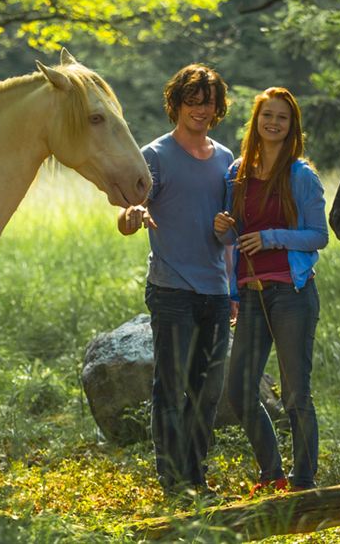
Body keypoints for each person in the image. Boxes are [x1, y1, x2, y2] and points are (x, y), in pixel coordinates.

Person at [117, 64, 235, 499]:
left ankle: (195, 476)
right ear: (177, 103)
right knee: (171, 387)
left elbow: (228, 234)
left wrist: (228, 237)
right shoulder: (155, 155)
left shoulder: (226, 160)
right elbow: (131, 212)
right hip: (171, 289)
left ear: (217, 106)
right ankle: (173, 482)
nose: (201, 109)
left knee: (207, 392)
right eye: (193, 100)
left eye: (208, 101)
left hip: (217, 292)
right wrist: (133, 217)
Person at [213, 87, 328, 493]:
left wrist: (271, 237)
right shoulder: (238, 173)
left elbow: (318, 236)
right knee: (240, 389)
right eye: (267, 116)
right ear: (256, 122)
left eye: (282, 117)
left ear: (291, 125)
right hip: (250, 294)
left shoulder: (301, 175)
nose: (273, 123)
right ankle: (271, 473)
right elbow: (235, 240)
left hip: (292, 295)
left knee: (296, 392)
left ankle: (304, 482)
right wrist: (224, 230)